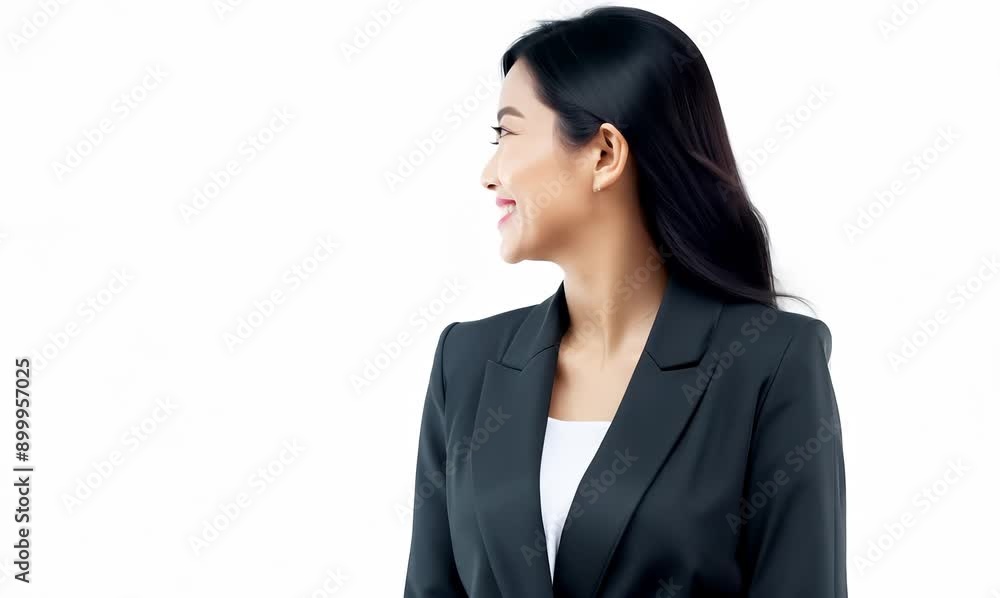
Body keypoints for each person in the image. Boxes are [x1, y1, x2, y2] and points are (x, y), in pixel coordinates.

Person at [403, 6, 847, 597]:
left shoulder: (769, 362)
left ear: (604, 154)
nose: (489, 174)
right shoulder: (466, 362)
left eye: (506, 134)